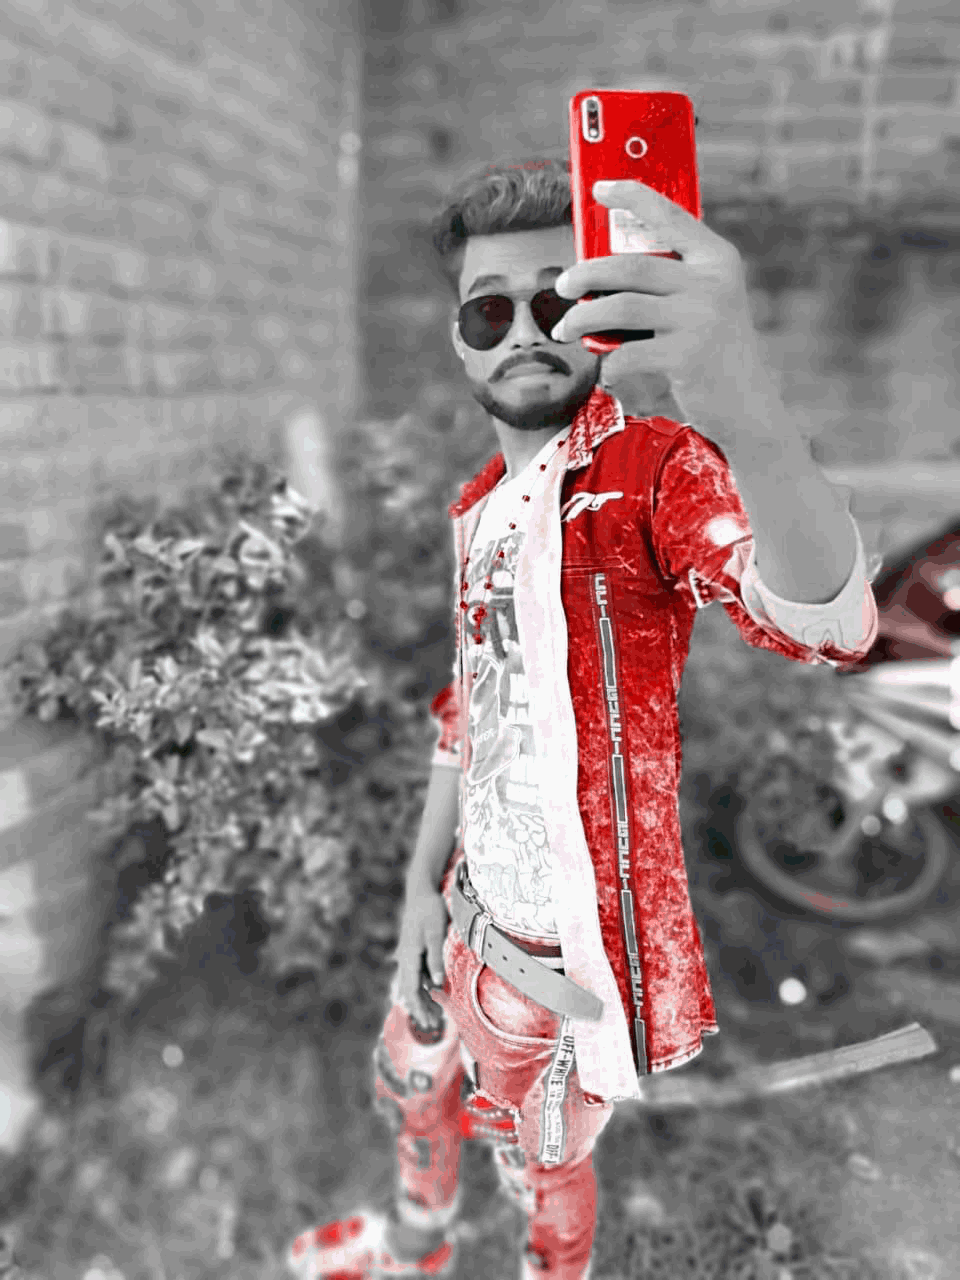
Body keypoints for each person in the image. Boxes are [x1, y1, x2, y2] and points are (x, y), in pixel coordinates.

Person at [288, 157, 879, 1280]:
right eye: (490, 310)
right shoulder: (476, 507)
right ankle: (414, 1247)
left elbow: (821, 621)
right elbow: (470, 709)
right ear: (462, 341)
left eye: (559, 300)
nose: (525, 330)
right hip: (460, 915)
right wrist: (421, 889)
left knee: (540, 1166)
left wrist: (740, 401)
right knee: (408, 1088)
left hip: (552, 970)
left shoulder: (651, 471)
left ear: (602, 321)